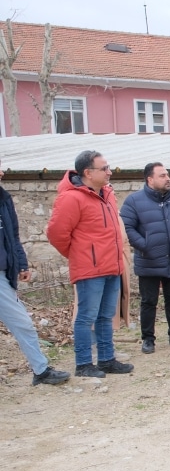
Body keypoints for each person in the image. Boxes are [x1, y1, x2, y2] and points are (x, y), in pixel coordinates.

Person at [46, 151, 134, 378]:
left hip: (112, 266)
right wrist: (80, 254)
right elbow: (56, 234)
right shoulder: (71, 198)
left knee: (106, 316)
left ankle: (106, 359)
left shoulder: (107, 194)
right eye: (104, 168)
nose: (109, 172)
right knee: (86, 317)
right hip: (90, 269)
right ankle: (84, 363)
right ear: (88, 173)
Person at [0, 159, 69, 385]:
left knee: (22, 323)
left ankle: (40, 371)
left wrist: (21, 265)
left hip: (2, 276)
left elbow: (13, 236)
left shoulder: (4, 199)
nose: (1, 173)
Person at [120, 162, 170, 354]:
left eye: (168, 175)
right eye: (162, 175)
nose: (168, 178)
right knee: (148, 301)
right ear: (150, 179)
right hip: (149, 261)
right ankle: (148, 339)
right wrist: (145, 245)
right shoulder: (134, 201)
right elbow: (127, 228)